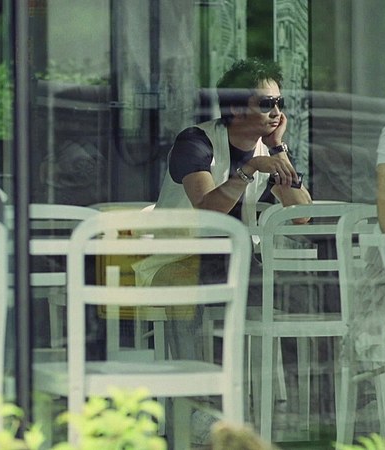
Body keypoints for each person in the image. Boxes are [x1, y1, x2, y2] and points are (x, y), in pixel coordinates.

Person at [134, 57, 312, 445]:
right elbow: (207, 210)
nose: (276, 112)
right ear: (235, 107)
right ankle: (194, 410)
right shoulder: (195, 142)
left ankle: (278, 411)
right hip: (177, 258)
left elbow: (301, 215)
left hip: (235, 262)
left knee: (290, 294)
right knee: (191, 286)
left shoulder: (268, 149)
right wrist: (248, 171)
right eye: (266, 103)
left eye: (279, 103)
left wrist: (279, 149)